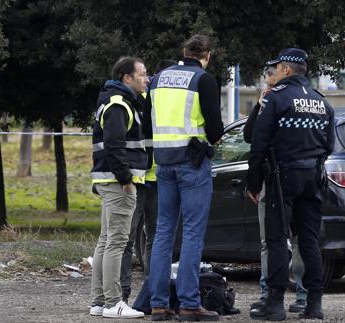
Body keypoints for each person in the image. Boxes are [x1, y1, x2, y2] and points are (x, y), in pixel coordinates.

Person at [247, 48, 334, 321]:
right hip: (313, 177)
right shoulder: (322, 102)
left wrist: (254, 182)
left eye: (276, 68)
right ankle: (314, 304)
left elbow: (257, 144)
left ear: (286, 70)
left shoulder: (277, 99)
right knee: (309, 240)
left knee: (275, 240)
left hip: (282, 177)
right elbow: (329, 144)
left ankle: (274, 303)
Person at [148, 35, 224, 322]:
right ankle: (189, 304)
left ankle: (158, 304)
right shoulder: (203, 80)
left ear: (183, 51)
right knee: (192, 232)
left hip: (164, 163)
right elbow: (215, 130)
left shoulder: (157, 79)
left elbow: (148, 119)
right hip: (192, 164)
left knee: (163, 232)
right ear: (207, 55)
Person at [244, 65, 308, 314]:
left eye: (273, 86)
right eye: (267, 87)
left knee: (298, 239)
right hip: (269, 181)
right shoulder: (267, 105)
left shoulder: (289, 105)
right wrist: (259, 107)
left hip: (289, 179)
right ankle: (267, 292)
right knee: (268, 242)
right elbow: (250, 137)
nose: (270, 91)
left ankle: (301, 294)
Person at [89, 56, 148, 319]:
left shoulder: (115, 102)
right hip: (117, 183)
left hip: (108, 180)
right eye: (143, 74)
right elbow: (114, 146)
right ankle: (114, 302)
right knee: (116, 241)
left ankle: (99, 301)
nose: (146, 79)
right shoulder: (118, 105)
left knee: (106, 241)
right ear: (127, 77)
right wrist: (125, 178)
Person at [120, 59, 179, 304]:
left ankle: (154, 293)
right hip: (136, 178)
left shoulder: (164, 100)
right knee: (126, 238)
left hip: (158, 177)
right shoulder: (139, 99)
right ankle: (121, 294)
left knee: (157, 239)